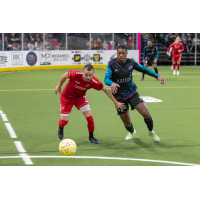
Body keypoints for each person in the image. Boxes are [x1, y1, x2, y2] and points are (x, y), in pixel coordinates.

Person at [104, 45, 165, 143]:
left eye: (123, 53)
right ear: (117, 53)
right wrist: (112, 83)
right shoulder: (112, 64)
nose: (120, 55)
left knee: (146, 113)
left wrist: (157, 76)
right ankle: (132, 132)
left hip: (132, 93)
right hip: (119, 97)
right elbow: (106, 79)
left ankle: (151, 131)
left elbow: (144, 69)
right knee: (127, 123)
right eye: (119, 53)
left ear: (126, 53)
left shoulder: (131, 62)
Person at [55, 64, 125, 144]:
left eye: (90, 75)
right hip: (66, 97)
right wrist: (59, 85)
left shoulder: (94, 81)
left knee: (90, 119)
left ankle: (91, 137)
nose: (88, 77)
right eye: (86, 75)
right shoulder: (75, 74)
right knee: (64, 122)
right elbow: (65, 75)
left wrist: (116, 103)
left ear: (93, 74)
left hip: (80, 97)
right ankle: (61, 127)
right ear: (82, 72)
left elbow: (105, 90)